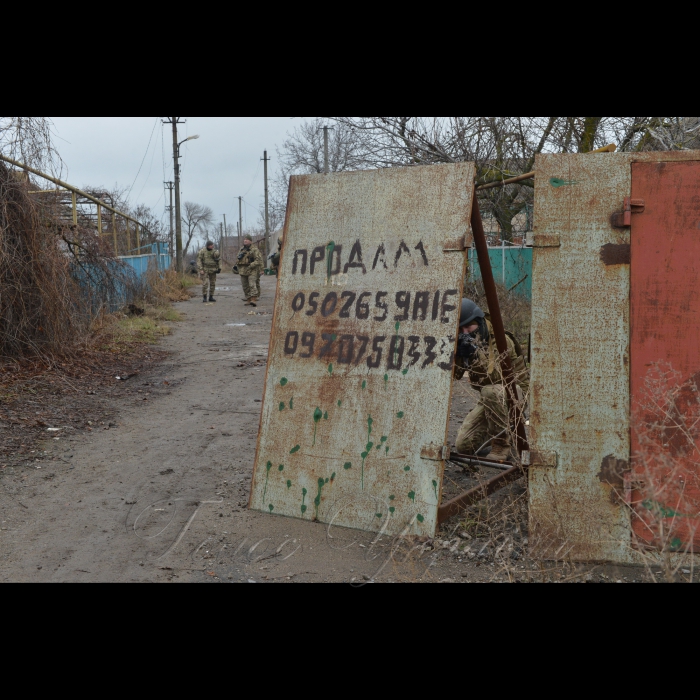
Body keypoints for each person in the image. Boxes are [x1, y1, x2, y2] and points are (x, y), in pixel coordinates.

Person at [454, 300, 529, 463]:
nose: (465, 332)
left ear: (479, 322)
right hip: (492, 400)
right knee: (464, 446)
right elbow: (456, 375)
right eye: (461, 329)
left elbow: (498, 377)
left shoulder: (500, 338)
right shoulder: (464, 339)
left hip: (515, 393)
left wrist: (474, 354)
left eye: (469, 327)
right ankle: (500, 424)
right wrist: (458, 355)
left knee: (491, 390)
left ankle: (501, 444)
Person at [237, 238, 264, 306]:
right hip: (243, 270)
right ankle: (248, 299)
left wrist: (252, 265)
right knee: (245, 286)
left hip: (252, 270)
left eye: (247, 239)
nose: (245, 240)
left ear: (250, 241)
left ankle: (254, 299)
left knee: (252, 284)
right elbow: (238, 258)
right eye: (244, 239)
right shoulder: (241, 249)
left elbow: (259, 260)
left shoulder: (254, 249)